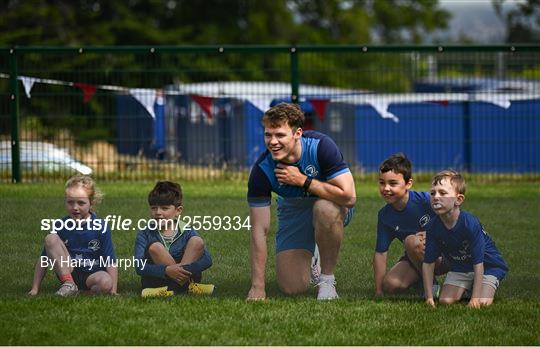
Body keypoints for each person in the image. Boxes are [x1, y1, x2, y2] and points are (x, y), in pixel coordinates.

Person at [247, 103, 356, 300]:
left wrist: (303, 181)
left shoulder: (321, 146)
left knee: (325, 209)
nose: (272, 141)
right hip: (293, 211)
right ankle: (314, 256)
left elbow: (349, 196)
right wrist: (258, 287)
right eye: (268, 135)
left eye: (280, 135)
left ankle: (327, 281)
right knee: (292, 287)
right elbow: (258, 229)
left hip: (331, 204)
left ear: (297, 133)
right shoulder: (262, 170)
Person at [423, 170, 508, 308]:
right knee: (445, 301)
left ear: (458, 199)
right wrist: (429, 297)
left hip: (487, 266)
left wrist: (474, 299)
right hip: (461, 268)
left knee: (482, 302)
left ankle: (486, 284)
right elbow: (428, 263)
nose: (436, 197)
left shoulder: (470, 224)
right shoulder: (432, 226)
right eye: (433, 193)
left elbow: (479, 263)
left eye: (443, 193)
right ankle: (469, 285)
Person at [28, 175, 118, 296]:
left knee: (106, 282)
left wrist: (113, 291)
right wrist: (34, 289)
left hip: (92, 274)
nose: (75, 207)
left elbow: (109, 260)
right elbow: (44, 258)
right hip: (68, 271)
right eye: (70, 202)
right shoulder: (60, 225)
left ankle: (80, 292)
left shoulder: (101, 226)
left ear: (91, 203)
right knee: (51, 238)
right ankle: (69, 284)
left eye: (81, 203)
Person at [373, 153, 447, 297]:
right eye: (382, 183)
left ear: (408, 184)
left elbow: (454, 221)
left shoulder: (426, 201)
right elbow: (381, 253)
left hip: (446, 254)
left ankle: (431, 285)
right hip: (418, 257)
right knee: (391, 285)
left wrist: (432, 235)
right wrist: (378, 291)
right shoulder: (384, 215)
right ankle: (421, 278)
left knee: (411, 241)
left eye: (393, 183)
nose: (386, 188)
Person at [134, 181, 213, 296]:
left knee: (197, 241)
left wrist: (181, 270)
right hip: (158, 281)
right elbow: (139, 267)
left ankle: (173, 288)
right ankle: (186, 287)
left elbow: (207, 260)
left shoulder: (187, 230)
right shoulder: (145, 233)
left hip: (186, 274)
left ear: (178, 211)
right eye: (153, 208)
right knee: (155, 247)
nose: (158, 212)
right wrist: (166, 270)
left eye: (164, 208)